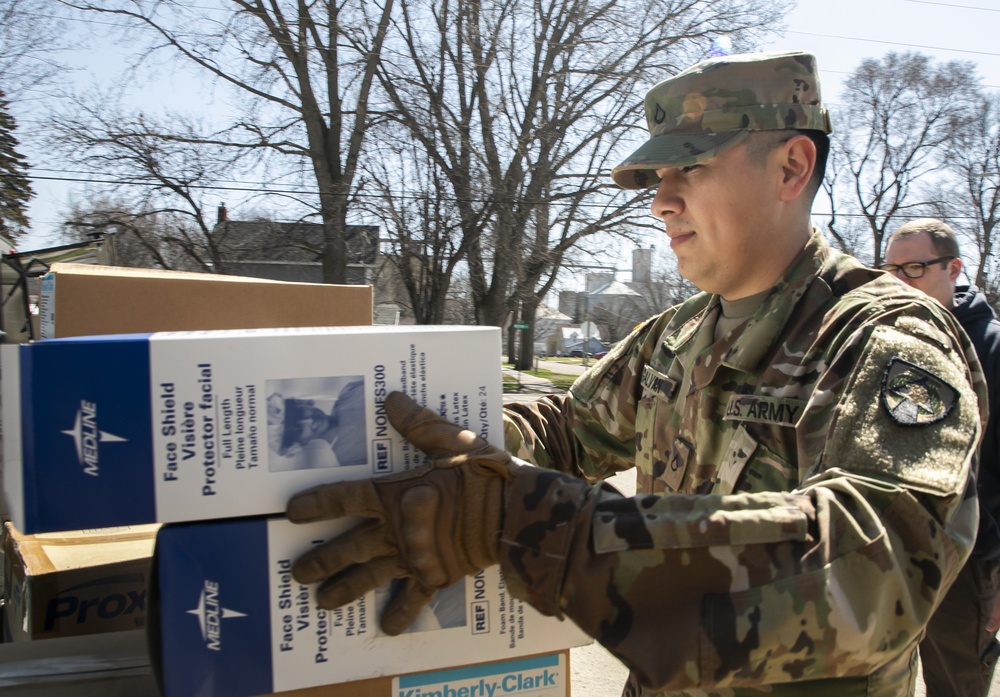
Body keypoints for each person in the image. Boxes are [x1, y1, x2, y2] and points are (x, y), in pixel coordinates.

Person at [286, 52, 987, 696]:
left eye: (692, 168)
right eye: (658, 177)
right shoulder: (679, 335)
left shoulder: (884, 339)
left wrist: (527, 525)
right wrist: (451, 452)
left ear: (791, 168)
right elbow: (567, 428)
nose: (661, 200)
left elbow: (882, 568)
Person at [883, 218, 1000, 696]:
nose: (898, 282)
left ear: (953, 268)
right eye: (890, 270)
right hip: (887, 555)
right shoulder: (889, 342)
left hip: (967, 565)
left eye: (914, 268)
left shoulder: (990, 348)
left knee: (957, 685)